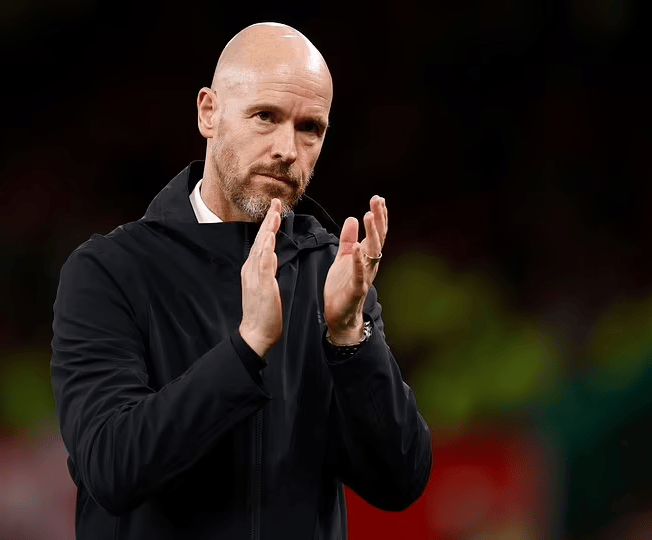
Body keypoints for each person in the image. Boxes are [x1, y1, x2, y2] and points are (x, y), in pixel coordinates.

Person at [51, 22, 432, 540]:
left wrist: (349, 340)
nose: (287, 149)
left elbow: (400, 481)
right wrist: (247, 349)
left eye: (310, 128)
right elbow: (111, 467)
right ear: (209, 113)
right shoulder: (109, 271)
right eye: (265, 116)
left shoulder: (332, 272)